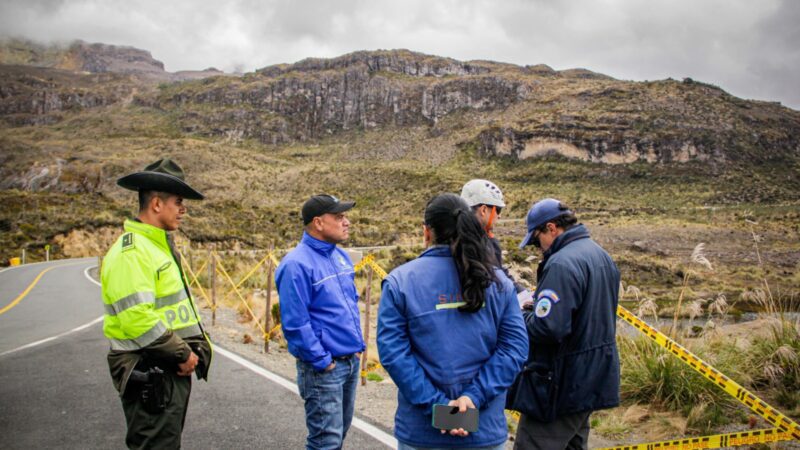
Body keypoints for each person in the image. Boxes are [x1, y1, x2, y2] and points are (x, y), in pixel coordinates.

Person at [378, 193, 529, 450]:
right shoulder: (499, 283)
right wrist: (473, 398)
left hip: (423, 432)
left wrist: (439, 407)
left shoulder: (399, 282)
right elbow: (514, 349)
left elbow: (394, 354)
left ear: (427, 232)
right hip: (483, 430)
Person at [101, 158, 212, 449]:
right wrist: (182, 353)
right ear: (157, 204)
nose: (183, 209)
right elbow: (136, 317)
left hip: (164, 370)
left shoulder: (154, 247)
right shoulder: (134, 251)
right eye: (178, 201)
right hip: (152, 370)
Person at [508, 198, 620, 450]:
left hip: (560, 385)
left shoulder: (560, 264)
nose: (539, 248)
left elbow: (548, 328)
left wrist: (517, 315)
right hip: (589, 379)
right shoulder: (600, 255)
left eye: (537, 240)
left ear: (551, 228)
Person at [275, 194, 365, 450]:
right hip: (324, 368)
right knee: (325, 441)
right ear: (318, 223)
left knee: (338, 434)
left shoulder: (342, 257)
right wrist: (322, 361)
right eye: (339, 217)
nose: (346, 222)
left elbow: (348, 305)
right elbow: (295, 324)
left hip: (349, 363)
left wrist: (357, 350)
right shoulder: (295, 264)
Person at [460, 179, 531, 302]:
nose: (499, 216)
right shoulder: (484, 243)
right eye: (498, 210)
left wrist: (522, 292)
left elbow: (499, 272)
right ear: (483, 210)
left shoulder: (452, 237)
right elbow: (496, 277)